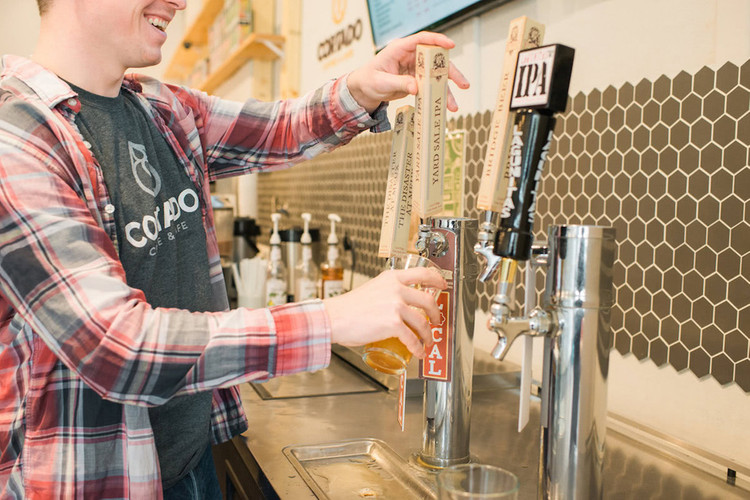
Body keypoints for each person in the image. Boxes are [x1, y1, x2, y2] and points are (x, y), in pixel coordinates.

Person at [0, 0, 470, 498]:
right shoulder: (18, 142)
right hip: (98, 483)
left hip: (192, 458)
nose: (178, 2)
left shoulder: (160, 109)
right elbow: (119, 347)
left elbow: (283, 127)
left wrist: (361, 86)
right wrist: (332, 319)